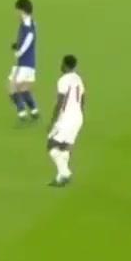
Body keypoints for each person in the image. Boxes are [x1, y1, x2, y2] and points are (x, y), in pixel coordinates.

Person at [48, 54, 86, 187]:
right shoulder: (78, 79)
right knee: (64, 147)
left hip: (67, 117)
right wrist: (80, 114)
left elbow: (60, 101)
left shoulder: (63, 80)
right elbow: (83, 99)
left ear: (65, 65)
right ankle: (60, 177)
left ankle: (65, 172)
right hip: (78, 116)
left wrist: (53, 120)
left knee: (51, 144)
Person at [9, 0, 39, 119]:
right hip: (30, 63)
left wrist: (18, 52)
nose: (16, 13)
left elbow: (29, 39)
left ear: (22, 11)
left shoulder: (27, 26)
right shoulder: (31, 23)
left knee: (12, 88)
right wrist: (17, 45)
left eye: (17, 10)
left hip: (24, 63)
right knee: (23, 89)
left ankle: (21, 112)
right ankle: (34, 110)